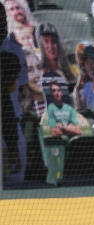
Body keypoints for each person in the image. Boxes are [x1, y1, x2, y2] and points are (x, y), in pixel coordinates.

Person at [0, 8, 26, 183]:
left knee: (16, 187)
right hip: (9, 125)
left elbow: (22, 93)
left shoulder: (13, 53)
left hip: (11, 124)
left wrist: (12, 143)